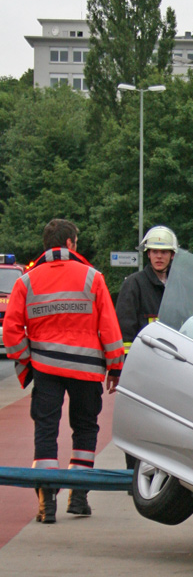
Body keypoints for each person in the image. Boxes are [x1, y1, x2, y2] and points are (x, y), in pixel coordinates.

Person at [2, 218, 124, 523]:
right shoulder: (92, 278)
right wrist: (115, 366)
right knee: (84, 428)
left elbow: (11, 330)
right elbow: (108, 326)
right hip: (86, 370)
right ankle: (79, 498)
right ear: (70, 244)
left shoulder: (26, 281)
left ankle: (47, 502)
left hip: (45, 368)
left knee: (46, 429)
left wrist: (26, 360)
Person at [116, 225, 178, 355]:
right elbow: (125, 329)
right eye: (155, 251)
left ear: (172, 255)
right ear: (148, 254)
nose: (159, 256)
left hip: (172, 357)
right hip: (143, 358)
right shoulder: (134, 283)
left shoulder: (177, 285)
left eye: (164, 252)